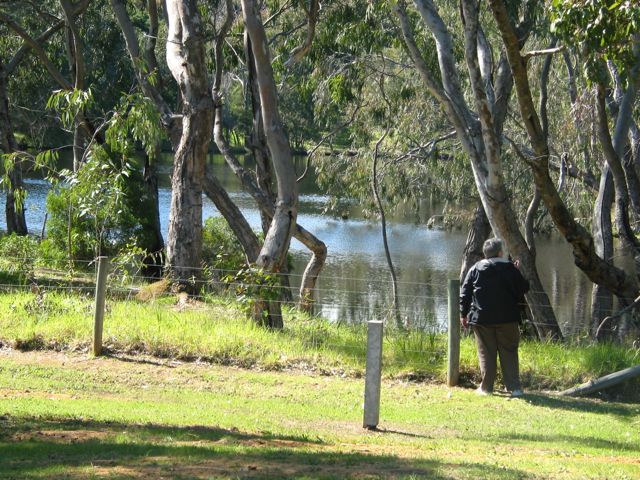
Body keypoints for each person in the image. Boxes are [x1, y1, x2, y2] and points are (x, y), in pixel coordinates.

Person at [459, 237, 529, 397]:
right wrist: (517, 272)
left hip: (481, 319)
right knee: (509, 352)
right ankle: (514, 388)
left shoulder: (475, 268)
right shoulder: (511, 268)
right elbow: (524, 288)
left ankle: (486, 388)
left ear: (486, 254)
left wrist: (463, 314)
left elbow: (465, 293)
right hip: (508, 318)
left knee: (486, 353)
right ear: (500, 252)